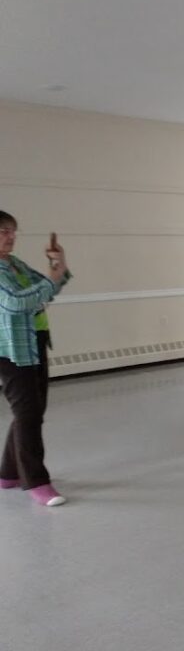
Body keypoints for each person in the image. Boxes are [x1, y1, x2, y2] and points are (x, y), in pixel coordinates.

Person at [0, 210, 72, 506]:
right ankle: (36, 482)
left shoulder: (13, 263)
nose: (10, 237)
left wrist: (59, 264)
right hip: (9, 350)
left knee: (30, 410)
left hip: (33, 342)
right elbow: (16, 302)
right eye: (3, 231)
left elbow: (47, 288)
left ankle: (7, 473)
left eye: (13, 231)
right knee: (28, 412)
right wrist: (48, 284)